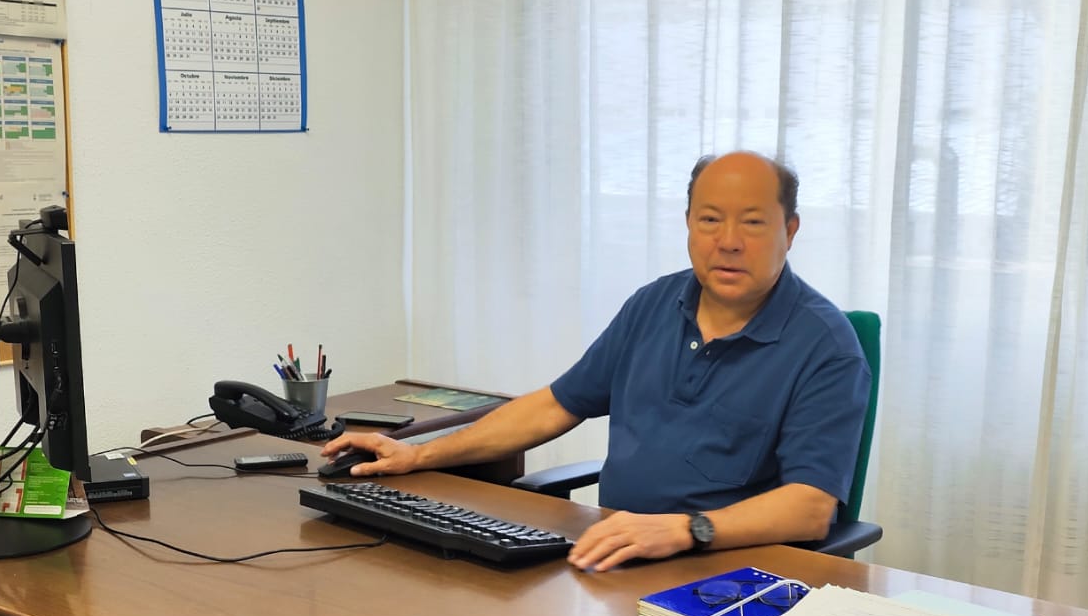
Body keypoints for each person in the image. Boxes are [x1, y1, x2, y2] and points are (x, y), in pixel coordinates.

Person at [321, 151, 870, 571]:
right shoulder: (655, 304)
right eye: (709, 220)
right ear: (688, 224)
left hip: (731, 574)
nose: (727, 242)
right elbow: (555, 405)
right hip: (616, 554)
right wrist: (417, 455)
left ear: (789, 231)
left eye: (752, 223)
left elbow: (809, 508)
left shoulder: (825, 346)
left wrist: (685, 530)